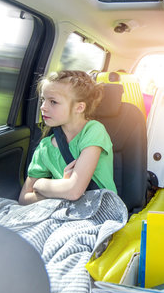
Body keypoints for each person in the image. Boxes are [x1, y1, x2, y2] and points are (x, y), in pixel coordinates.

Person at [19, 70, 116, 205]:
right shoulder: (45, 147)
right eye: (43, 100)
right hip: (62, 211)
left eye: (53, 102)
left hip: (99, 209)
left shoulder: (93, 131)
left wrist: (40, 185)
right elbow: (24, 198)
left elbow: (73, 191)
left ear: (79, 107)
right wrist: (61, 187)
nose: (43, 107)